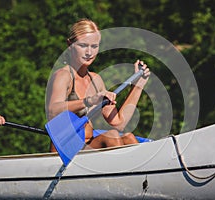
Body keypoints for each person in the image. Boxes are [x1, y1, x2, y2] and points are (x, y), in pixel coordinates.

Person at [46, 18, 150, 152]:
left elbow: (118, 123)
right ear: (70, 44)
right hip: (65, 151)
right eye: (83, 45)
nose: (89, 52)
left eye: (94, 46)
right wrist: (89, 101)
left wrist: (138, 85)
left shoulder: (96, 80)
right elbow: (52, 110)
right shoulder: (63, 75)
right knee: (111, 136)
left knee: (128, 137)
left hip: (89, 146)